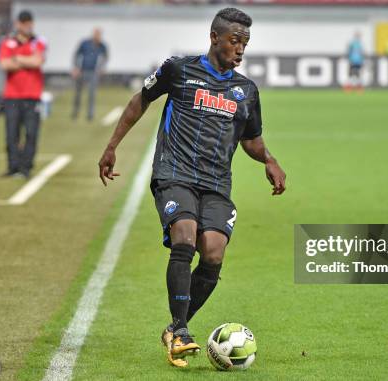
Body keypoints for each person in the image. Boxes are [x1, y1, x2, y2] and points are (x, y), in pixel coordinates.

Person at [97, 7, 286, 368]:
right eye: (235, 41)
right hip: (174, 173)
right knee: (185, 234)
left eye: (245, 43)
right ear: (215, 37)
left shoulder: (245, 91)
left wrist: (270, 161)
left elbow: (251, 140)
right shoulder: (179, 70)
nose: (241, 50)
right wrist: (112, 146)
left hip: (216, 182)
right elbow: (141, 100)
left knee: (213, 253)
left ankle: (174, 327)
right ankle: (181, 331)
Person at [0, 10, 46, 178]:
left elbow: (38, 61)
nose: (28, 26)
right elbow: (4, 65)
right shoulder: (8, 42)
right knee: (12, 134)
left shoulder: (38, 41)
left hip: (32, 96)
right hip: (12, 96)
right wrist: (28, 61)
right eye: (24, 23)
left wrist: (17, 59)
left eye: (30, 22)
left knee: (31, 133)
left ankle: (26, 167)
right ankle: (13, 167)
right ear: (18, 24)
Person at [71, 28, 108, 121]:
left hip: (93, 72)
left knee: (92, 94)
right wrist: (76, 67)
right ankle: (75, 112)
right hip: (82, 70)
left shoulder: (102, 45)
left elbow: (105, 57)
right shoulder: (85, 43)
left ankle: (90, 114)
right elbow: (76, 54)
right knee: (78, 94)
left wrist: (102, 68)